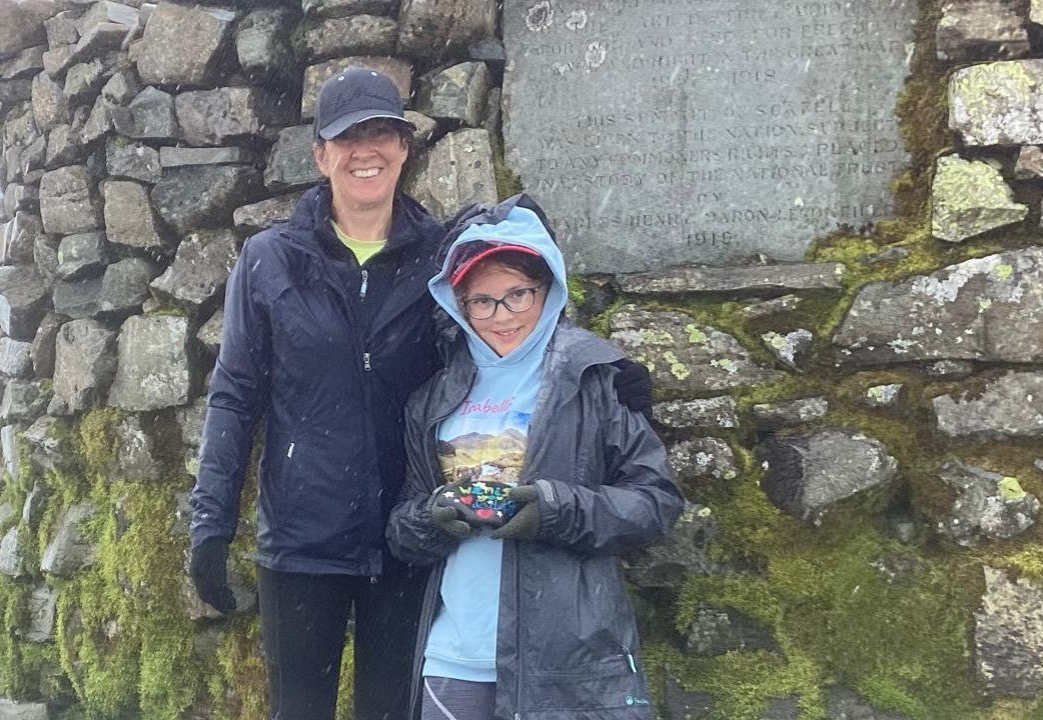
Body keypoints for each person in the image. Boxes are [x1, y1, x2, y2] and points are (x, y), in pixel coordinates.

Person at [186, 69, 654, 720]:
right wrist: (211, 527)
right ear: (321, 155)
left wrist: (596, 362)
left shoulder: (440, 255)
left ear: (405, 148)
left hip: (408, 540)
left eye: (381, 133)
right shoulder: (270, 260)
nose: (365, 151)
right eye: (347, 138)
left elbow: (514, 291)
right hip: (301, 543)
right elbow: (235, 398)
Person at [387, 195, 683, 720]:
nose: (501, 317)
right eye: (481, 301)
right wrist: (434, 517)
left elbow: (655, 503)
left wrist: (553, 509)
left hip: (568, 663)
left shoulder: (597, 380)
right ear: (458, 304)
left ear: (549, 291)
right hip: (455, 659)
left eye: (517, 294)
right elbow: (403, 529)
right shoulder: (430, 398)